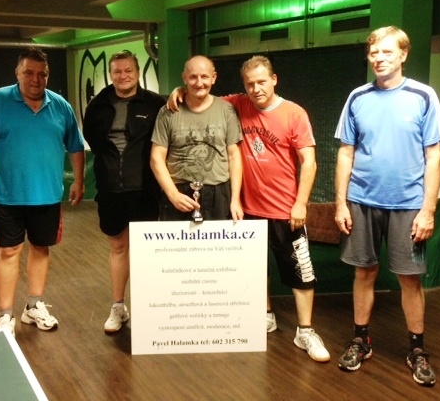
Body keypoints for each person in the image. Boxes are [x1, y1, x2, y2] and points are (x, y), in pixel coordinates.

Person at [168, 55, 330, 363]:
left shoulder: (294, 113)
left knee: (300, 272)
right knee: (255, 270)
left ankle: (305, 330)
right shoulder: (237, 105)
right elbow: (202, 94)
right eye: (250, 84)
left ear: (274, 80)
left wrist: (300, 203)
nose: (256, 89)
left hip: (285, 210)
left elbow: (309, 162)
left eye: (262, 82)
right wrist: (179, 91)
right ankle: (266, 315)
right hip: (246, 210)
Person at [333, 26, 440, 386]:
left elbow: (434, 156)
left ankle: (417, 349)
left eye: (386, 52)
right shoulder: (357, 97)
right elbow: (346, 153)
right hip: (361, 202)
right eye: (374, 53)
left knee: (409, 279)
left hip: (409, 206)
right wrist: (340, 203)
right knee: (363, 273)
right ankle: (361, 340)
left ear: (403, 54)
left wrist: (428, 210)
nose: (379, 59)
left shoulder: (423, 96)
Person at [0, 47, 85, 337]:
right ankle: (5, 315)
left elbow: (75, 146)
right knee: (9, 251)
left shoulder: (60, 106)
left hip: (47, 195)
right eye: (29, 73)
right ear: (17, 73)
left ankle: (33, 306)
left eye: (41, 74)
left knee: (41, 248)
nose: (35, 79)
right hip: (7, 196)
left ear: (48, 75)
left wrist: (79, 180)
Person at [83, 50, 166, 334]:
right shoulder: (98, 105)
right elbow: (94, 141)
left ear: (137, 72)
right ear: (111, 74)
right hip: (110, 191)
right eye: (117, 71)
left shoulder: (155, 104)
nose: (123, 76)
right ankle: (118, 307)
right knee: (118, 247)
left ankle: (147, 308)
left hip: (145, 190)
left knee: (144, 250)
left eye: (128, 70)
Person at [151, 55, 243, 222]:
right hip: (178, 193)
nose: (199, 83)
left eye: (204, 77)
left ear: (213, 78)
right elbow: (156, 158)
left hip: (218, 194)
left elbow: (234, 156)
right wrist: (173, 195)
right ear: (184, 78)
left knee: (217, 241)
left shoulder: (227, 110)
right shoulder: (168, 111)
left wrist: (235, 199)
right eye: (193, 77)